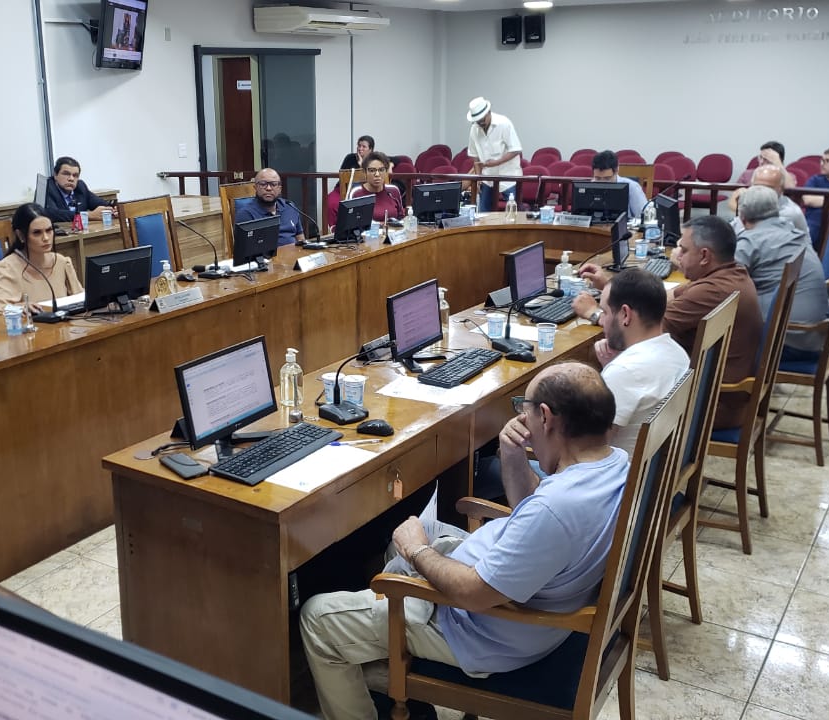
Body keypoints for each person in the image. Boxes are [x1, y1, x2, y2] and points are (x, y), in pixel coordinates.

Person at [299, 362, 628, 720]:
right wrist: (512, 453)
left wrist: (418, 550)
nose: (524, 423)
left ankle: (382, 673)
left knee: (318, 618)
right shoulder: (614, 465)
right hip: (522, 611)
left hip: (478, 630)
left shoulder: (556, 508)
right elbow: (532, 515)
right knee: (402, 546)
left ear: (546, 417)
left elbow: (474, 593)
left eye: (525, 411)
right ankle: (385, 673)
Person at [582, 216, 761, 430]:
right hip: (711, 391)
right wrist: (613, 290)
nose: (677, 254)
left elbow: (646, 325)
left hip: (715, 404)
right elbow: (662, 300)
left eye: (683, 250)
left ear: (704, 256)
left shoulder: (712, 291)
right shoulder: (728, 274)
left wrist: (594, 313)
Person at [570, 268, 690, 454]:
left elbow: (587, 449)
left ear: (625, 315)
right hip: (655, 467)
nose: (604, 322)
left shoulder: (624, 371)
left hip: (622, 472)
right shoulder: (678, 354)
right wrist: (611, 368)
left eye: (605, 312)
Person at [735, 186, 829, 363]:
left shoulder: (751, 241)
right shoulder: (795, 233)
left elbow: (723, 282)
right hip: (813, 336)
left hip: (785, 342)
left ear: (742, 217)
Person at [0, 203, 81, 316]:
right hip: (28, 327)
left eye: (49, 230)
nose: (46, 238)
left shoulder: (61, 262)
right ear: (21, 235)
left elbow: (82, 300)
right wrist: (19, 308)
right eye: (37, 233)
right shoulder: (5, 268)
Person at [465, 96, 522, 213]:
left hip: (508, 177)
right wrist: (479, 178)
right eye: (477, 121)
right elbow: (475, 156)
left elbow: (516, 149)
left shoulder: (504, 123)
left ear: (489, 112)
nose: (480, 123)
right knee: (483, 214)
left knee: (512, 213)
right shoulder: (474, 129)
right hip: (487, 178)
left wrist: (496, 162)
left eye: (482, 120)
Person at [727, 165, 808, 234]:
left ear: (781, 189)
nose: (762, 191)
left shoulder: (792, 213)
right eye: (757, 186)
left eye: (768, 188)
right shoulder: (749, 203)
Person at [234, 168, 305, 246]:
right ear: (255, 187)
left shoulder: (289, 206)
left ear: (280, 189)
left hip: (293, 252)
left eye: (273, 184)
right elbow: (244, 248)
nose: (268, 188)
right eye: (263, 184)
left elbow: (300, 238)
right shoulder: (246, 214)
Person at [42, 156, 114, 224]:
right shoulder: (47, 188)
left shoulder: (80, 187)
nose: (71, 179)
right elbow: (52, 214)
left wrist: (113, 210)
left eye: (75, 175)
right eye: (66, 174)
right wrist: (89, 215)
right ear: (55, 175)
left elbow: (101, 204)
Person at [348, 151, 405, 222]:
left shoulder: (394, 190)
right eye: (372, 170)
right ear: (365, 172)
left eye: (381, 170)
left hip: (393, 229)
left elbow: (401, 218)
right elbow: (350, 222)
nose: (377, 174)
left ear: (386, 172)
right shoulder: (356, 193)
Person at [590, 150, 648, 219]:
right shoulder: (590, 186)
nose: (602, 183)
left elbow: (644, 217)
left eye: (607, 178)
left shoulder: (632, 187)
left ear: (617, 170)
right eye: (598, 178)